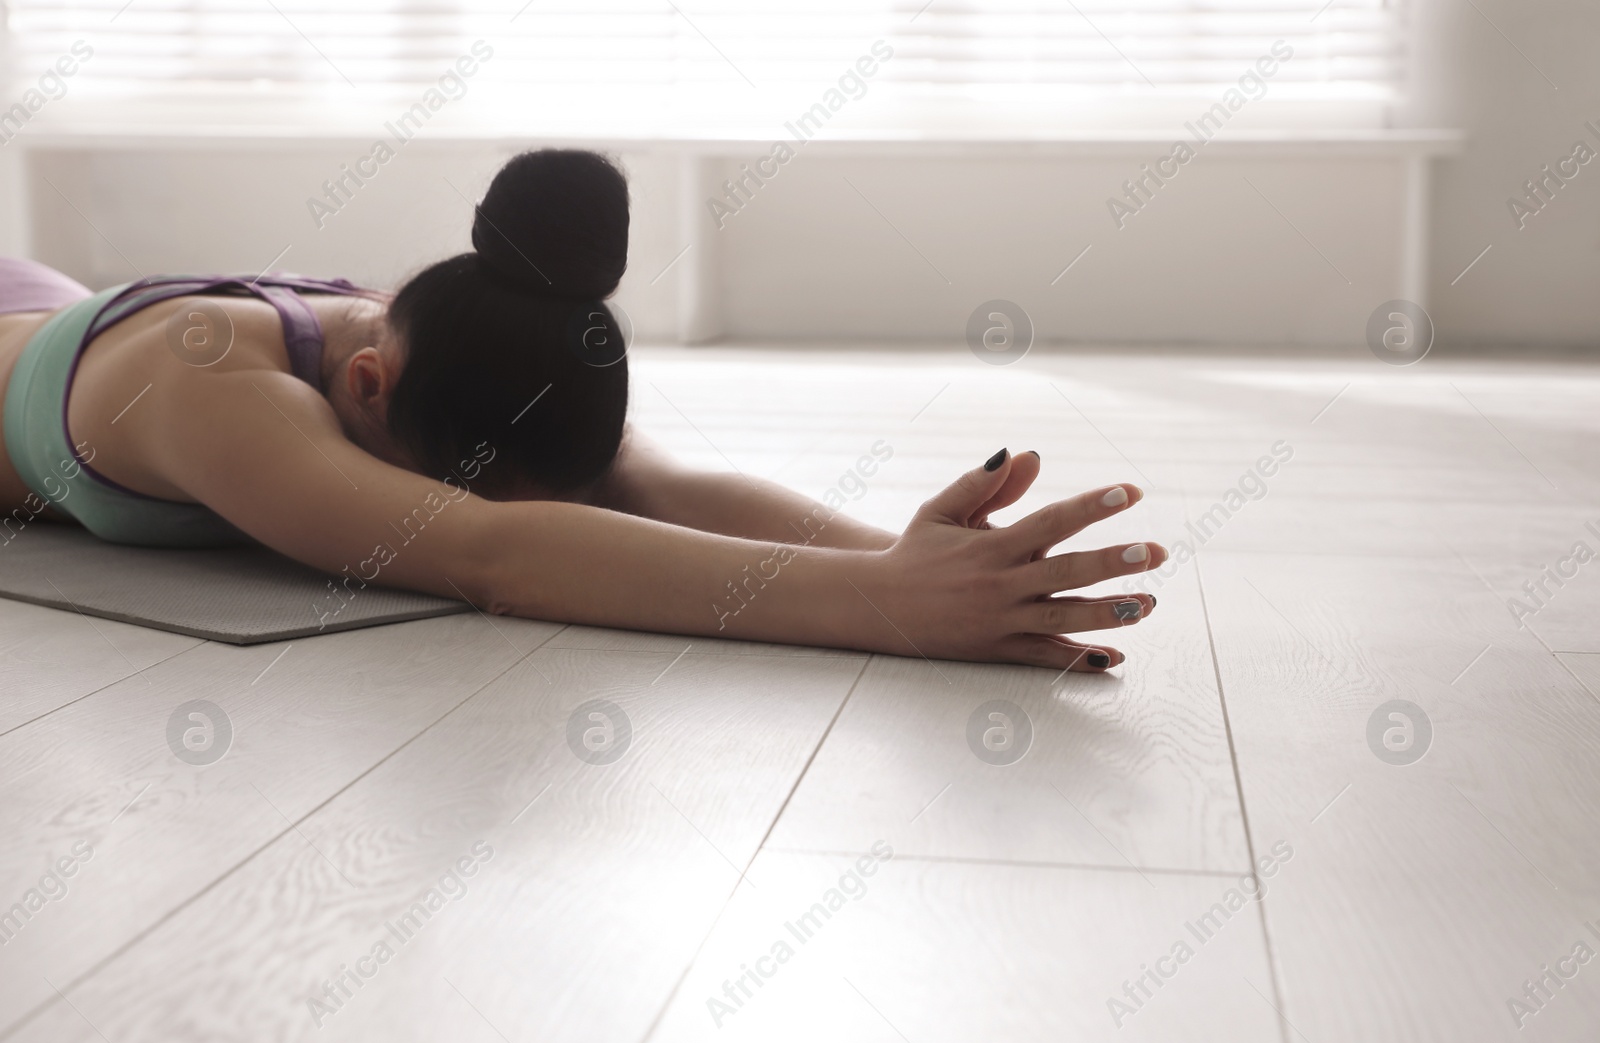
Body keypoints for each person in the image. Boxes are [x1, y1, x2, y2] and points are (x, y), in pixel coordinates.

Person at [0, 149, 1163, 669]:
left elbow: (646, 488)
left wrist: (920, 559)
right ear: (365, 390)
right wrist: (885, 607)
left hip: (47, 306)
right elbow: (492, 550)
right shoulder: (220, 397)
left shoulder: (463, 333)